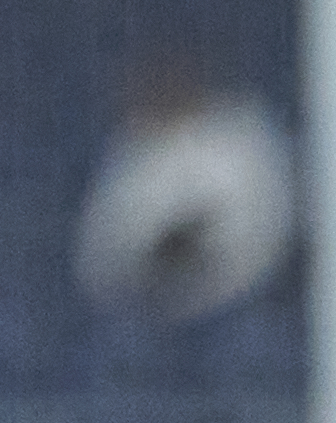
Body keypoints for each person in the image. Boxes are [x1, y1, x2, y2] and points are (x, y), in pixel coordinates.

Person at [73, 64, 302, 328]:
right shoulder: (132, 154)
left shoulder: (240, 133)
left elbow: (269, 232)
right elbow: (99, 265)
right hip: (162, 308)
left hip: (246, 299)